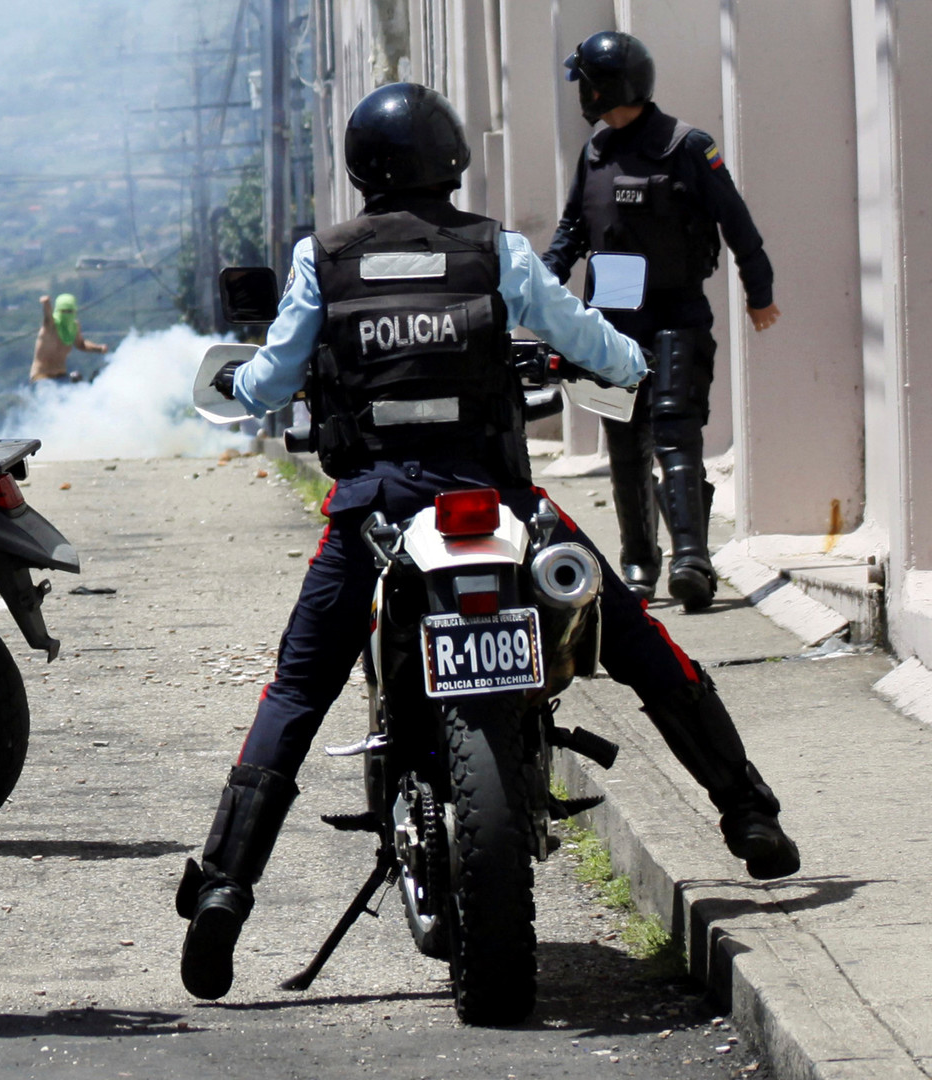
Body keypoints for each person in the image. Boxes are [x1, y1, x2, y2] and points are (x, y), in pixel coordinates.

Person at [176, 83, 800, 1003]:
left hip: (377, 510)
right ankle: (748, 814)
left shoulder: (325, 256)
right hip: (493, 501)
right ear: (453, 159)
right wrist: (626, 365)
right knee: (639, 644)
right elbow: (580, 333)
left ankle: (226, 890)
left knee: (297, 689)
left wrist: (245, 393)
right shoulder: (493, 246)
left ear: (358, 167)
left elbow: (269, 378)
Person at [543, 31, 779, 611]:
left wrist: (760, 291)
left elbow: (737, 222)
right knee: (624, 442)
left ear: (611, 87)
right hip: (614, 324)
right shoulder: (595, 152)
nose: (583, 93)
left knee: (675, 433)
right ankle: (638, 563)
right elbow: (573, 228)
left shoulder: (687, 147)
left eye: (590, 83)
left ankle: (692, 559)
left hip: (676, 312)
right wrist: (542, 280)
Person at [29, 292, 107, 382]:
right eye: (63, 311)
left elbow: (81, 344)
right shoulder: (51, 326)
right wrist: (46, 304)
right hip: (41, 377)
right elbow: (48, 317)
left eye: (70, 311)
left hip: (61, 377)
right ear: (58, 310)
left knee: (83, 381)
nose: (67, 314)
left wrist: (99, 348)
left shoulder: (74, 327)